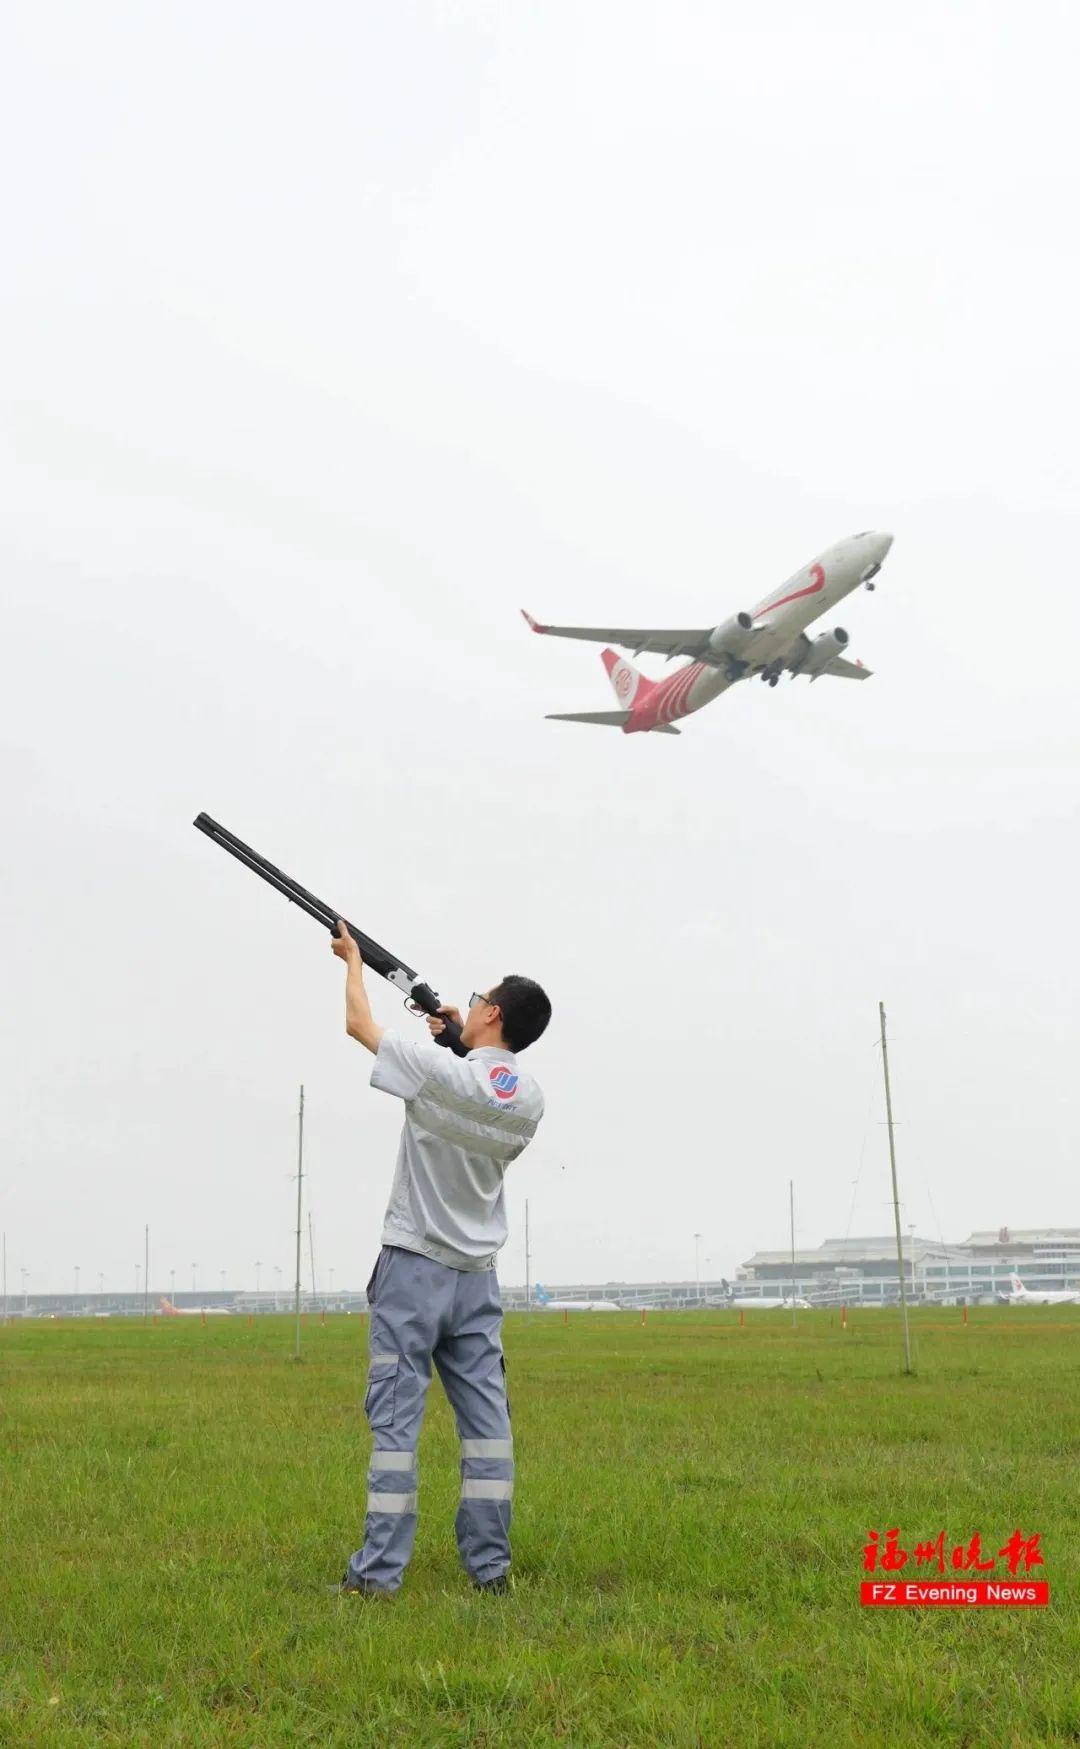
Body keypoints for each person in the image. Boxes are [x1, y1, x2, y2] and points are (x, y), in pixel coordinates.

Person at [330, 920, 550, 1597]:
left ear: (491, 1012)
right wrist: (458, 1036)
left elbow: (359, 1026)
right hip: (477, 1283)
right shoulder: (530, 1099)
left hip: (414, 1268)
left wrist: (352, 963)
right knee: (488, 1431)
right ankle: (490, 1570)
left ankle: (377, 1576)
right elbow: (480, 1083)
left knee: (396, 1425)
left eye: (477, 996)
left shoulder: (436, 1072)